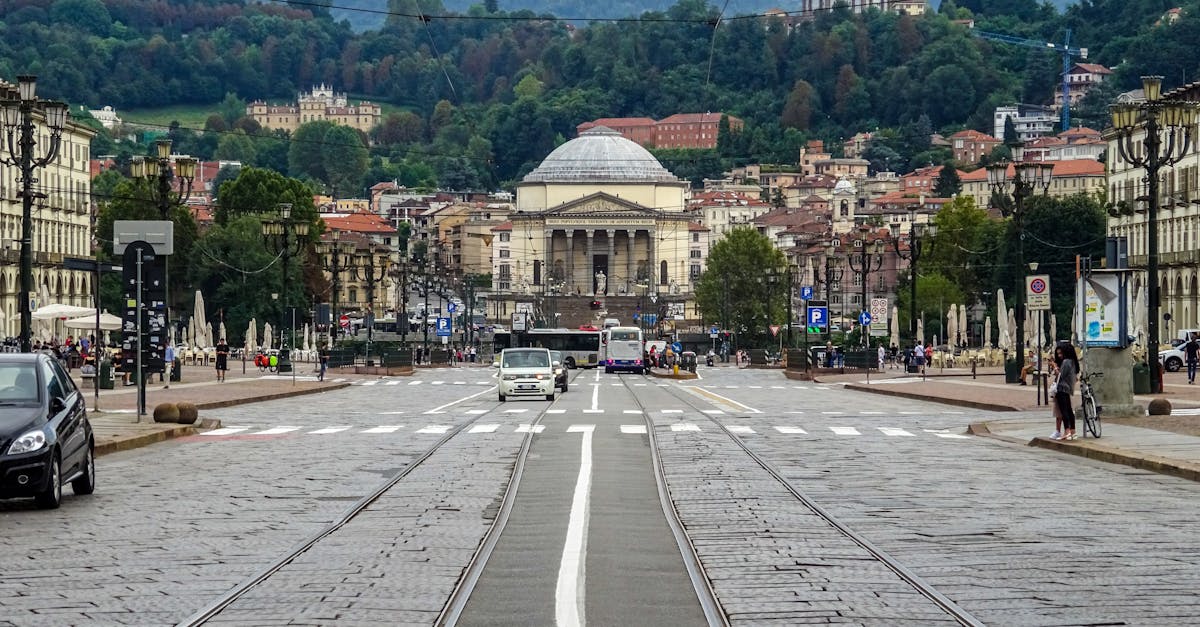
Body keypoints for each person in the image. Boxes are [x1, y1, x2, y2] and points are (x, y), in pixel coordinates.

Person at [1051, 343, 1079, 440]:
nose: (1059, 356)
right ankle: (1073, 431)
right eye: (1058, 354)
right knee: (1069, 410)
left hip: (1062, 388)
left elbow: (1060, 375)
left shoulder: (1066, 362)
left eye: (1061, 353)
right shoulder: (1073, 362)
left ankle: (1067, 431)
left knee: (1064, 411)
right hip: (1068, 388)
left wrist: (1054, 366)